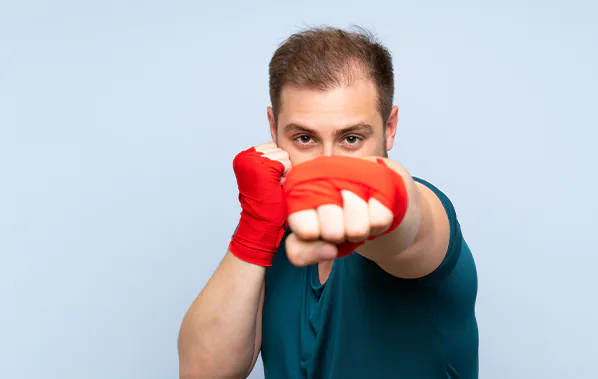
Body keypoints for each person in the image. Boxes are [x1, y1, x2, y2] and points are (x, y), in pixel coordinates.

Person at [178, 26, 479, 379]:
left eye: (351, 138)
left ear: (390, 128)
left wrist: (390, 198)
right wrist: (255, 227)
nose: (327, 164)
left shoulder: (420, 217)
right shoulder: (277, 228)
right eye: (304, 138)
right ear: (274, 130)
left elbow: (411, 222)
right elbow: (203, 373)